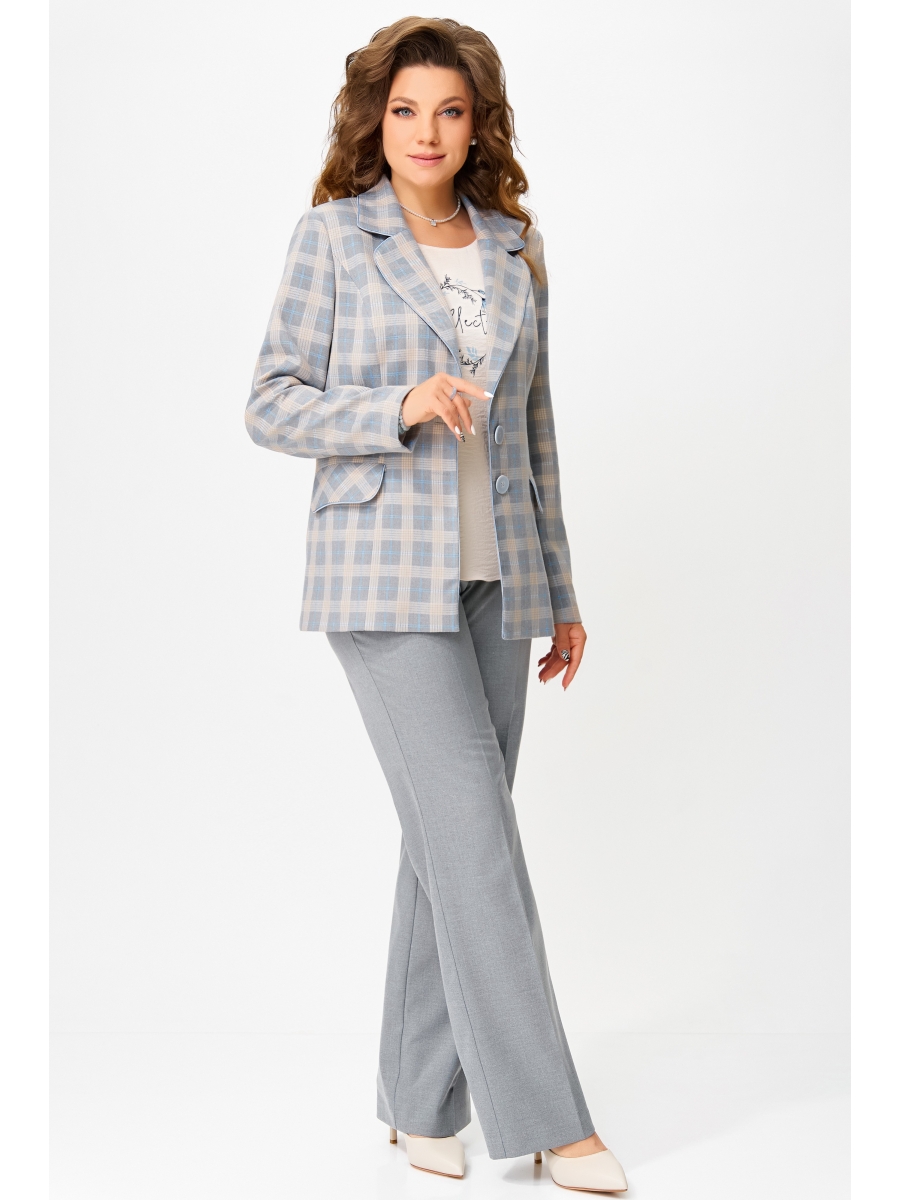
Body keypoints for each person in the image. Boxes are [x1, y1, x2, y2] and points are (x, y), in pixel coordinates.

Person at [245, 16, 627, 1193]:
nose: (426, 132)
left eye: (449, 112)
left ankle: (417, 1105)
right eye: (406, 110)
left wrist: (559, 588)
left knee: (446, 844)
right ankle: (551, 1120)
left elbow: (536, 429)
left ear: (478, 125)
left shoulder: (514, 247)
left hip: (497, 578)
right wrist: (396, 404)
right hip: (380, 578)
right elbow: (269, 401)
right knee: (478, 843)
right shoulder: (334, 236)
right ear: (377, 121)